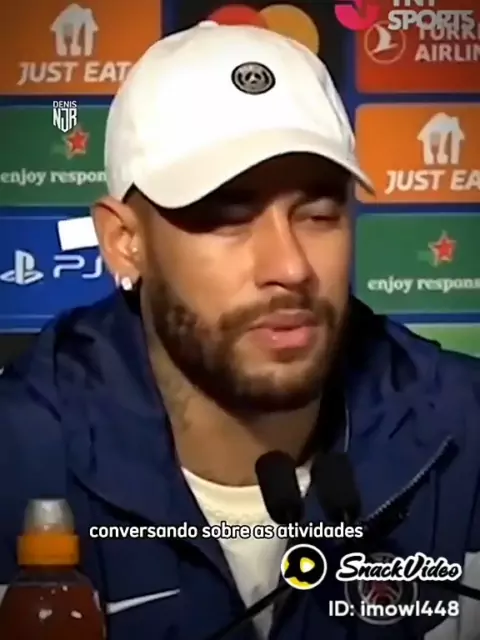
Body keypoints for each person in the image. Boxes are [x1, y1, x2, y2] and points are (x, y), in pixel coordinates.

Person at [1, 21, 479, 640]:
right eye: (227, 218)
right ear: (124, 242)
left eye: (319, 214)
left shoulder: (466, 435)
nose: (291, 267)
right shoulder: (18, 455)